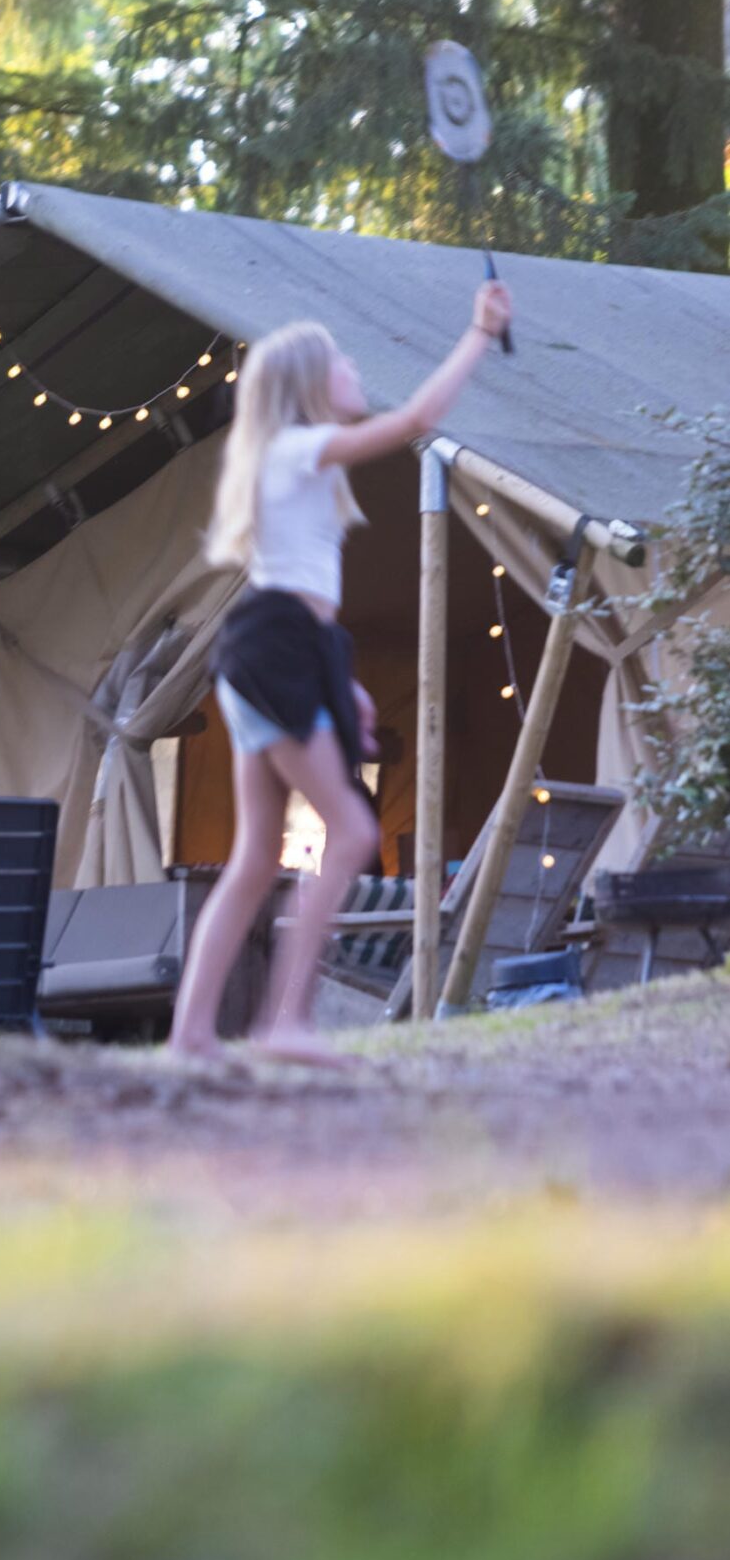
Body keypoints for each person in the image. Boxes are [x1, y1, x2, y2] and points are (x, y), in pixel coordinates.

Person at [169, 277, 515, 1064]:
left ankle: (194, 1034)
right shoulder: (296, 448)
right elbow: (419, 421)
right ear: (306, 389)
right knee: (354, 828)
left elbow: (303, 599)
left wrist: (343, 681)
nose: (355, 368)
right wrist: (477, 333)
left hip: (278, 648)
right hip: (274, 650)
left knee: (258, 855)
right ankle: (283, 1021)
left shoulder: (302, 469)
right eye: (342, 361)